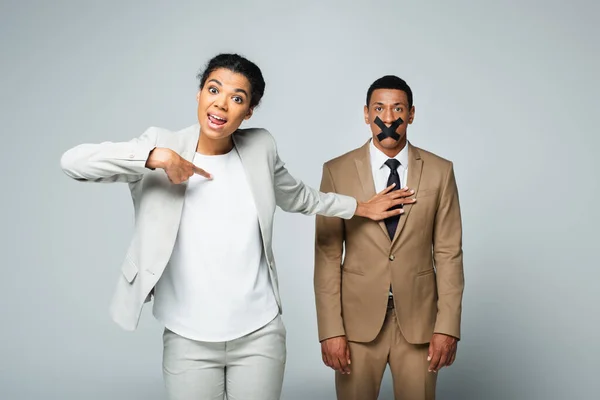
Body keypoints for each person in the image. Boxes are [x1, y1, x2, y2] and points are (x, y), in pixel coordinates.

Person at [60, 54, 414, 400]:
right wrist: (158, 157)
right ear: (199, 94)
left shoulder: (260, 147)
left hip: (259, 334)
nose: (221, 105)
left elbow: (301, 198)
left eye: (237, 98)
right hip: (188, 337)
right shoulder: (161, 146)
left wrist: (360, 207)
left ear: (249, 111)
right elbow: (73, 162)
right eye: (214, 90)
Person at [314, 75, 464, 400]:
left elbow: (449, 253)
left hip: (420, 324)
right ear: (366, 114)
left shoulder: (440, 171)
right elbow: (327, 256)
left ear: (411, 114)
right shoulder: (336, 171)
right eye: (379, 108)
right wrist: (330, 330)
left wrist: (447, 326)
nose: (389, 117)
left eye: (398, 108)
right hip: (355, 325)